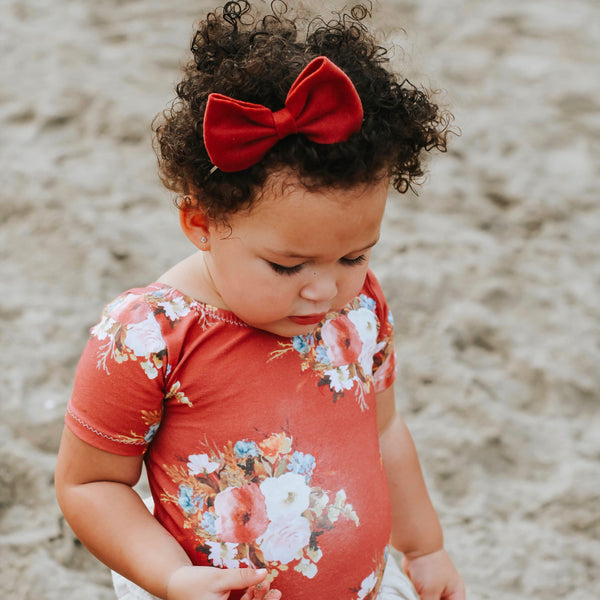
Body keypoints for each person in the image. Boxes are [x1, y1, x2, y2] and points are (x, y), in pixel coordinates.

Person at [55, 2, 464, 600]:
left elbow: (385, 431)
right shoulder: (146, 336)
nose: (324, 290)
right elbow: (90, 485)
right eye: (286, 265)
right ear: (200, 223)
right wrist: (171, 577)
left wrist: (425, 548)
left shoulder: (358, 310)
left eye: (355, 256)